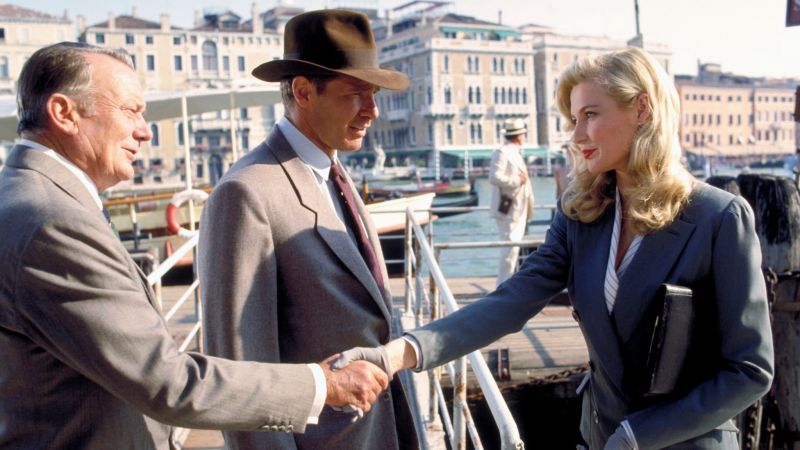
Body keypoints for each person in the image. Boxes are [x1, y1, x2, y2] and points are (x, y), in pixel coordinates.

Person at [338, 47, 775, 449]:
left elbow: (749, 370)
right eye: (573, 119)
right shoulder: (582, 213)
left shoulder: (718, 217)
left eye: (590, 115)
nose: (576, 135)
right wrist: (398, 353)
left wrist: (637, 436)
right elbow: (511, 301)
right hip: (599, 436)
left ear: (642, 109)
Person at [0, 42, 390, 450]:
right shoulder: (52, 220)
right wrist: (322, 385)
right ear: (64, 113)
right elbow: (168, 381)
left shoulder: (31, 199)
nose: (144, 131)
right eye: (130, 111)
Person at [198, 10, 418, 450]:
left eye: (373, 94)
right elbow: (240, 374)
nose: (372, 110)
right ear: (303, 91)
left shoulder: (331, 171)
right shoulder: (246, 192)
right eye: (355, 94)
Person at [489, 118, 535, 286]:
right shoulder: (502, 152)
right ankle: (503, 286)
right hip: (508, 209)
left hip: (518, 209)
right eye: (523, 134)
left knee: (513, 250)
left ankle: (508, 284)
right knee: (509, 250)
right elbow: (494, 177)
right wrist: (517, 180)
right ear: (518, 136)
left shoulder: (514, 152)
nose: (524, 137)